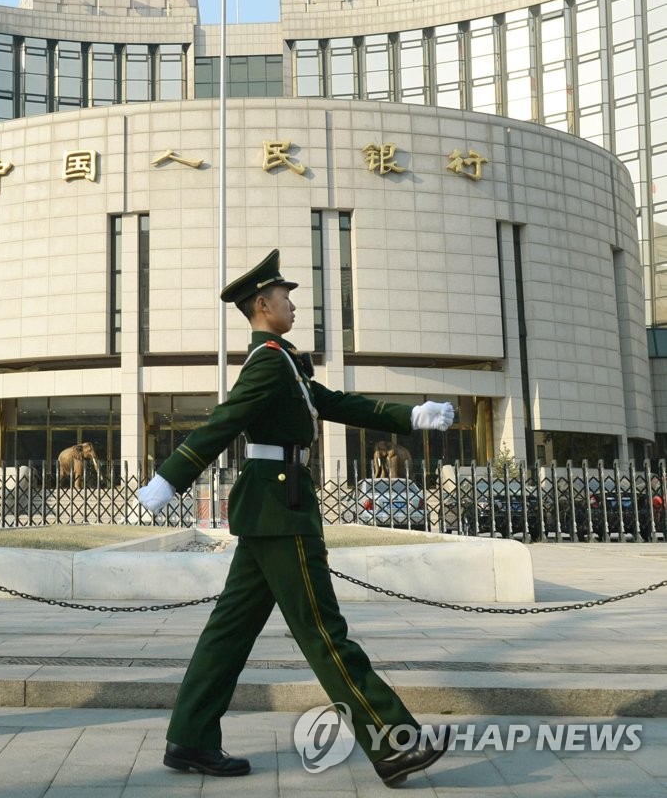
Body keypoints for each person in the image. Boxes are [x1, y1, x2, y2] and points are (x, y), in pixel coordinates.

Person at [137, 249, 455, 788]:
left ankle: (190, 738)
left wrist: (409, 415)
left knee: (228, 632)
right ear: (263, 304)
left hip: (271, 507)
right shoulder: (267, 360)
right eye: (285, 297)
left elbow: (334, 402)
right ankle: (393, 741)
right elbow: (226, 420)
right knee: (324, 632)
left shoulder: (284, 359)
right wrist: (171, 477)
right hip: (282, 508)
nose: (292, 304)